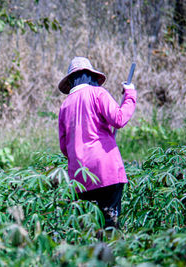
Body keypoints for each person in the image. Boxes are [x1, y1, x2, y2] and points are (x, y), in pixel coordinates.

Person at [58, 57, 137, 228]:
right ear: (91, 76)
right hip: (106, 172)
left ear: (71, 81)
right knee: (110, 227)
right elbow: (119, 119)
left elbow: (65, 148)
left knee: (89, 229)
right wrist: (130, 95)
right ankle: (112, 254)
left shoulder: (65, 106)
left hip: (80, 177)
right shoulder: (98, 93)